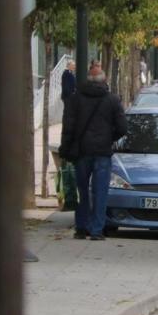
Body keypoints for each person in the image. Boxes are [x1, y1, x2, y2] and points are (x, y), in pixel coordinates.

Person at [61, 66, 127, 240]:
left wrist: (65, 148)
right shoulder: (112, 100)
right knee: (100, 192)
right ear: (104, 79)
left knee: (82, 191)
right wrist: (109, 138)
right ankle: (97, 230)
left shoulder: (75, 99)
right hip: (103, 152)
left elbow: (68, 127)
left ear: (88, 79)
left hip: (82, 152)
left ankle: (82, 227)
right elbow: (122, 127)